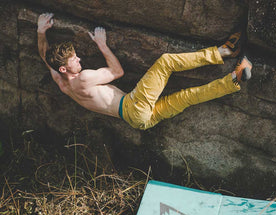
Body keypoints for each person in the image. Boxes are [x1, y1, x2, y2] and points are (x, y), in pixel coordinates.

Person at [37, 13, 252, 130]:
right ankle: (225, 51)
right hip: (133, 105)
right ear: (65, 68)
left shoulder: (63, 84)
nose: (79, 59)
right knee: (166, 62)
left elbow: (45, 57)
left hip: (139, 122)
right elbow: (117, 71)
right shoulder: (82, 78)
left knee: (187, 97)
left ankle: (235, 79)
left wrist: (40, 31)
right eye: (74, 59)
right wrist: (102, 44)